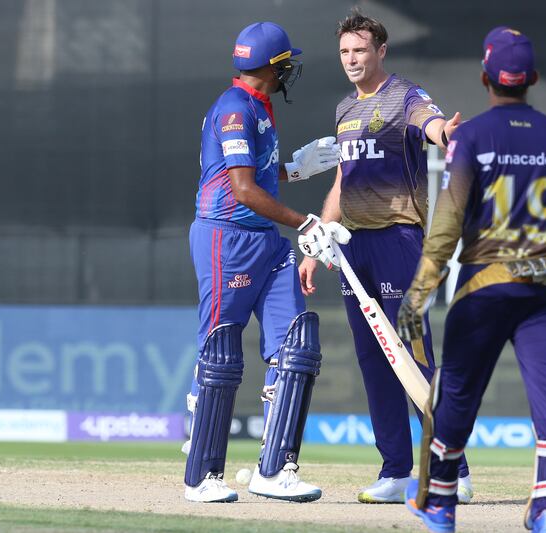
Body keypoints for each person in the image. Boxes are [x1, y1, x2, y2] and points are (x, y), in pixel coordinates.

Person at [398, 28, 546, 533]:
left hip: (484, 286)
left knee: (455, 393)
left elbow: (448, 223)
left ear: (485, 77)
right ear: (534, 80)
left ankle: (439, 505)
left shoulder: (473, 136)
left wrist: (420, 292)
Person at [297, 11, 473, 504]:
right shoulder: (343, 110)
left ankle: (451, 469)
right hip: (352, 248)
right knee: (374, 359)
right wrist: (318, 243)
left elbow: (432, 124)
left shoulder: (405, 96)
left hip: (399, 240)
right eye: (344, 52)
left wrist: (446, 134)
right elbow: (341, 181)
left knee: (415, 355)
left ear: (380, 51)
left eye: (359, 51)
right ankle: (396, 470)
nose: (351, 60)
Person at [183, 21, 350, 504]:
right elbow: (242, 188)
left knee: (296, 345)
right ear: (272, 66)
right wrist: (305, 223)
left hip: (266, 243)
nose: (290, 70)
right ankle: (202, 475)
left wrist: (296, 166)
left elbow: (260, 172)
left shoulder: (259, 105)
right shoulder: (234, 108)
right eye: (286, 63)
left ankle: (274, 469)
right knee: (221, 352)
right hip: (226, 236)